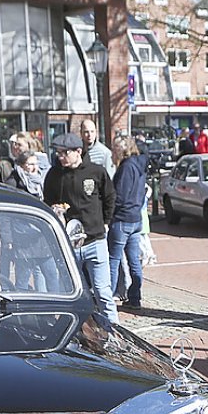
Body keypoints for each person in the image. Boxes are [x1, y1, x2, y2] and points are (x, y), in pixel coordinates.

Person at [42, 132, 117, 326]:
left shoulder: (96, 172)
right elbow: (48, 201)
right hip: (69, 245)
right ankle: (76, 330)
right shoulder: (54, 175)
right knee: (74, 293)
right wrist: (54, 209)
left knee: (103, 292)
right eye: (58, 153)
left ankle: (114, 331)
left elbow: (110, 197)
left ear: (78, 151)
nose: (60, 157)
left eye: (64, 153)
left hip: (95, 241)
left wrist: (106, 222)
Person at [108, 135, 149, 309]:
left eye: (115, 148)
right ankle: (135, 298)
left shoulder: (126, 167)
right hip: (135, 217)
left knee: (113, 260)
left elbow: (120, 196)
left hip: (123, 219)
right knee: (134, 261)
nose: (113, 152)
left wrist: (109, 214)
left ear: (122, 150)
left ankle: (107, 299)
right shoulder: (139, 165)